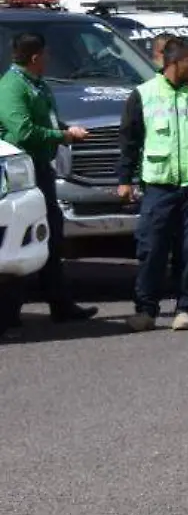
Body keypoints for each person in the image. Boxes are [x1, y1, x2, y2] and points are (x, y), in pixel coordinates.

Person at [115, 38, 188, 332]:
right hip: (159, 186)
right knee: (152, 248)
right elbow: (130, 141)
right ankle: (146, 311)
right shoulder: (143, 95)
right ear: (173, 63)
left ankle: (186, 309)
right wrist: (124, 179)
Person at [0, 32, 99, 327]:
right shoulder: (12, 88)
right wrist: (63, 136)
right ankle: (10, 314)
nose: (49, 59)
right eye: (46, 54)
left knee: (51, 237)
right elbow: (21, 133)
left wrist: (66, 129)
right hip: (20, 177)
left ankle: (60, 303)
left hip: (41, 168)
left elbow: (46, 121)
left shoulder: (37, 85)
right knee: (23, 239)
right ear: (35, 57)